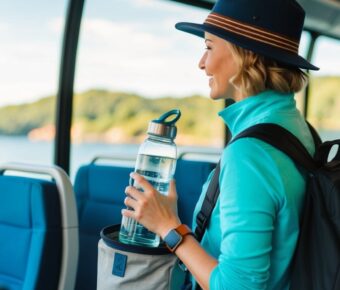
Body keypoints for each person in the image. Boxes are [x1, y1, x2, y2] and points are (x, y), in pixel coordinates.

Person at [122, 0, 319, 289]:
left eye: (209, 46)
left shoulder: (251, 153)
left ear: (245, 55)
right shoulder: (300, 131)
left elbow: (238, 285)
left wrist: (169, 227)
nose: (201, 63)